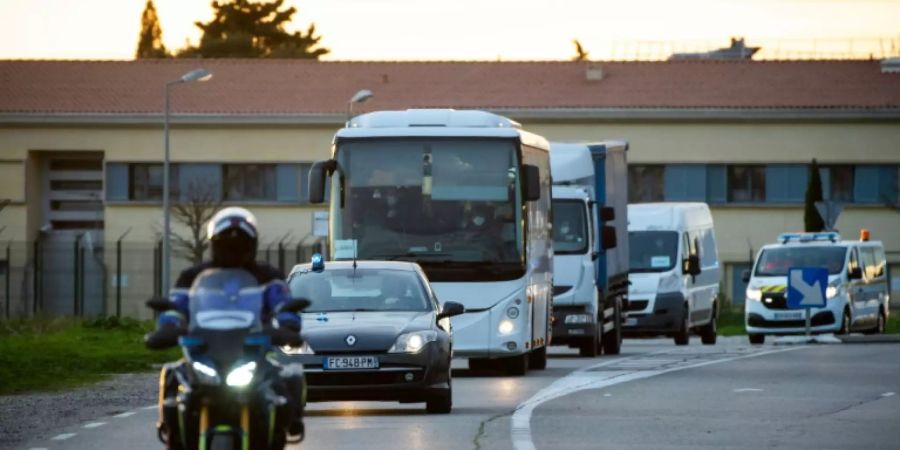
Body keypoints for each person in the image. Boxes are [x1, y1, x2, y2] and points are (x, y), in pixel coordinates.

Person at [149, 207, 305, 446]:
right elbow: (176, 307)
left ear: (251, 244)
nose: (234, 249)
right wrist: (169, 326)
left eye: (240, 243)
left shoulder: (268, 276)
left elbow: (283, 303)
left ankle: (283, 430)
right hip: (204, 349)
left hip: (252, 350)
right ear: (214, 244)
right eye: (226, 243)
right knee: (174, 376)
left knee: (285, 381)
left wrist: (288, 325)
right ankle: (172, 432)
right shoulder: (193, 276)